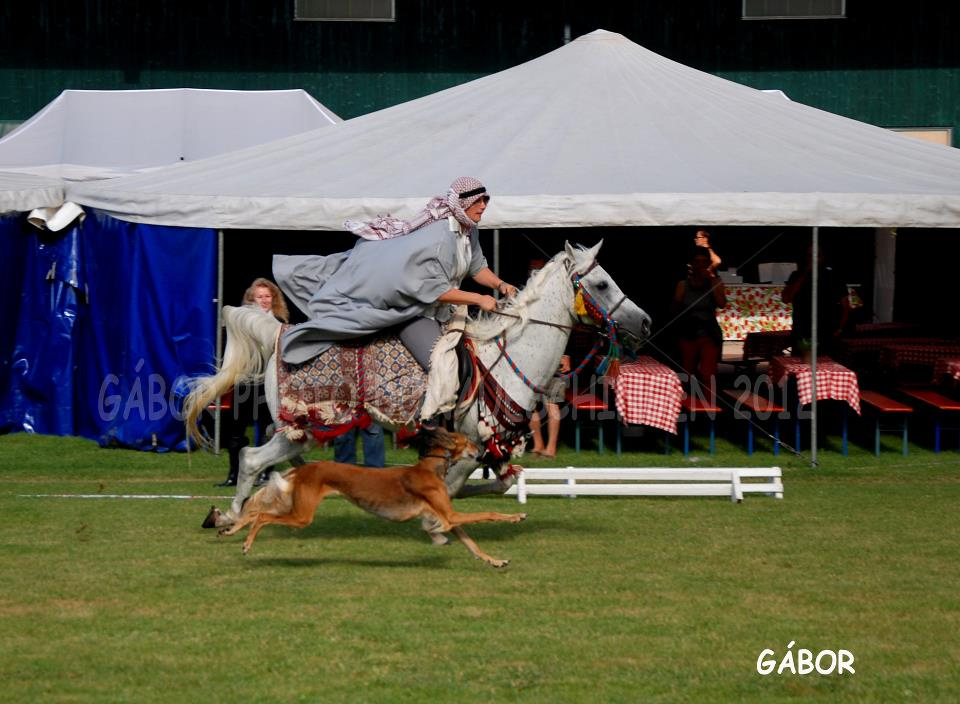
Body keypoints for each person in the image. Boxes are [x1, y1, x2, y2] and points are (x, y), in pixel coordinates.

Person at [277, 177, 518, 372]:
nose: (484, 206)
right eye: (479, 201)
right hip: (416, 312)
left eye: (486, 200)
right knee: (439, 365)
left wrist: (500, 283)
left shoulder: (469, 233)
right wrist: (478, 299)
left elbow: (477, 268)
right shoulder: (439, 238)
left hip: (447, 312)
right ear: (463, 203)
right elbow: (436, 291)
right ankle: (429, 424)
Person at [215, 278, 289, 487]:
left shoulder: (278, 324)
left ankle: (265, 473)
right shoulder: (241, 322)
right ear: (251, 299)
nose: (264, 300)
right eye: (260, 296)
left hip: (269, 383)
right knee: (236, 430)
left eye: (268, 296)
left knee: (267, 429)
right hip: (244, 381)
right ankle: (234, 475)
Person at [673, 247, 726, 398]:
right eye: (697, 262)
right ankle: (683, 406)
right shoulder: (683, 284)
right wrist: (678, 300)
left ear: (709, 264)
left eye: (704, 262)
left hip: (708, 333)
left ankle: (709, 409)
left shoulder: (715, 282)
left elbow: (722, 304)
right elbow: (675, 309)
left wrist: (711, 280)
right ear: (691, 264)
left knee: (707, 374)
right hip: (688, 331)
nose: (700, 265)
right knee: (686, 373)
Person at [782, 245, 850, 357]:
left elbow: (845, 305)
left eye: (816, 255)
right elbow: (786, 299)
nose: (813, 259)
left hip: (826, 332)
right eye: (810, 255)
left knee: (825, 365)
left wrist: (840, 328)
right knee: (800, 365)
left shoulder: (834, 277)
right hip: (802, 331)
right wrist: (804, 275)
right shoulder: (797, 275)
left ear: (822, 257)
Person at [529, 354, 571, 458]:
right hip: (532, 362)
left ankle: (551, 449)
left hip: (554, 360)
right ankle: (538, 445)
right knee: (530, 406)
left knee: (552, 404)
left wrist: (566, 355)